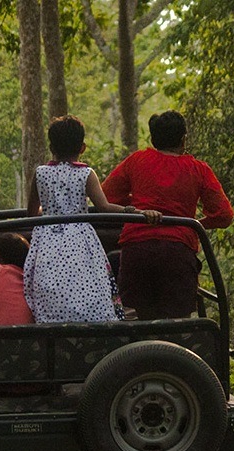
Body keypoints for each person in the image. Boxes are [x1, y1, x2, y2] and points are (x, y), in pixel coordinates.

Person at [24, 115, 161, 323]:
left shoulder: (40, 174)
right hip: (81, 239)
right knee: (89, 283)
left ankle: (51, 321)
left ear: (51, 147)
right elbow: (104, 207)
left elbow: (31, 214)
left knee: (50, 283)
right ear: (82, 147)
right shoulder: (86, 174)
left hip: (47, 238)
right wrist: (134, 211)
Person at [102, 110, 234, 320]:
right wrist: (194, 224)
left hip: (136, 251)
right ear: (183, 139)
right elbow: (224, 215)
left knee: (135, 317)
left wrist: (139, 209)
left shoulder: (137, 161)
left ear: (153, 139)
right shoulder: (198, 169)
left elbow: (106, 195)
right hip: (178, 252)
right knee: (176, 322)